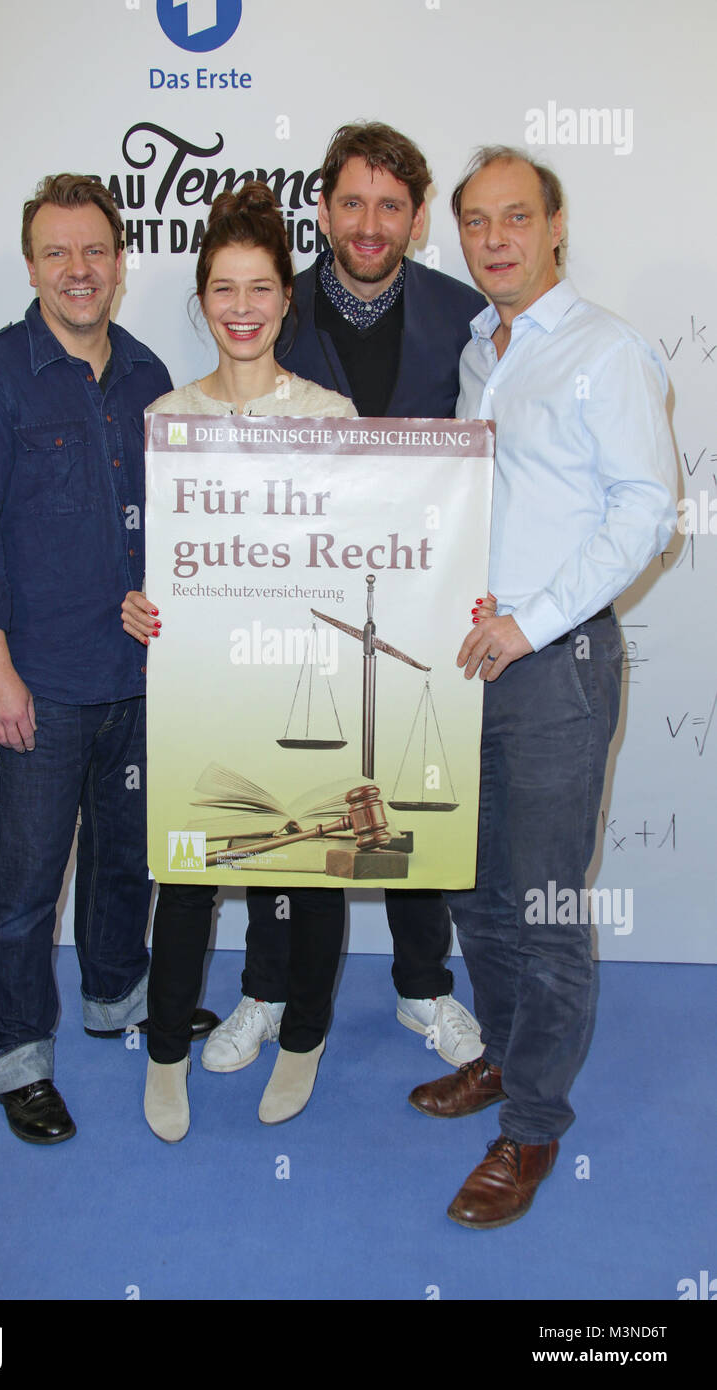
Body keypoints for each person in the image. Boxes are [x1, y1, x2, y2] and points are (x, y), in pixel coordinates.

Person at [408, 147, 677, 1227]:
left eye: (515, 218)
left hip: (553, 667)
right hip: (471, 661)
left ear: (555, 225)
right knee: (474, 889)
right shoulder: (480, 347)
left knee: (547, 904)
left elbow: (643, 510)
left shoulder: (605, 350)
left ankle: (529, 1128)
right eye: (475, 223)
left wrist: (530, 620)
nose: (494, 239)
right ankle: (507, 1061)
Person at [201, 122, 488, 1078]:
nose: (370, 224)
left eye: (391, 206)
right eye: (352, 202)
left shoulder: (462, 315)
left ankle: (423, 988)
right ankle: (266, 988)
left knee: (409, 797)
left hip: (419, 594)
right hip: (292, 597)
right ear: (322, 209)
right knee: (295, 795)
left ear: (414, 217)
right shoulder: (274, 308)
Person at [0, 173, 215, 1146]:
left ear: (120, 260)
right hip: (38, 690)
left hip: (138, 683)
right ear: (30, 266)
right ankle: (15, 1054)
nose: (77, 270)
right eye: (56, 253)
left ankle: (116, 998)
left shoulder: (146, 377)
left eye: (93, 249)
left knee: (123, 864)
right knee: (21, 884)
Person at [121, 182, 359, 1142]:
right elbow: (157, 560)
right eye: (225, 288)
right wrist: (138, 603)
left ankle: (303, 1039)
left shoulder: (333, 415)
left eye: (261, 287)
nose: (243, 308)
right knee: (185, 878)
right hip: (205, 690)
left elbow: (371, 554)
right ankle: (166, 1055)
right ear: (202, 297)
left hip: (305, 682)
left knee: (310, 870)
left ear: (286, 297)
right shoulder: (166, 416)